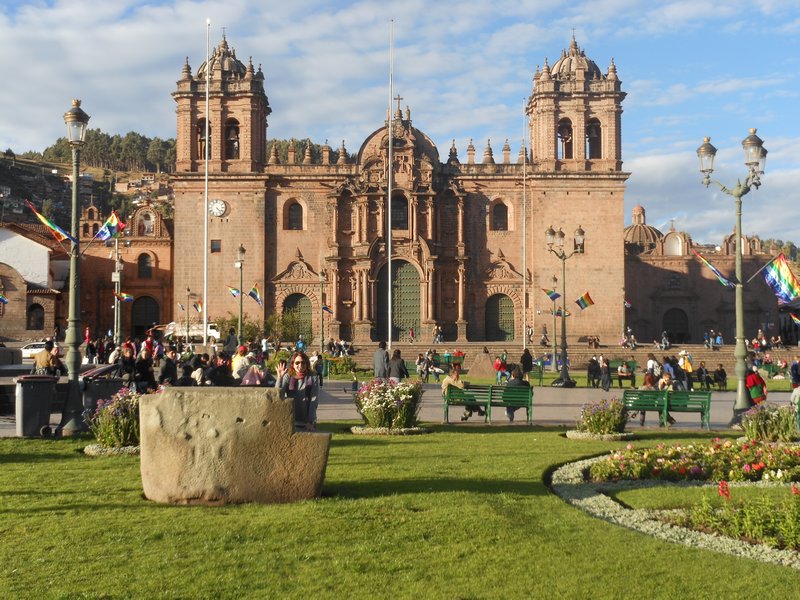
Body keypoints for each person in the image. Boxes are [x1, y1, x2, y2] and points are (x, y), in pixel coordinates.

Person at [277, 351, 318, 431]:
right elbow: (278, 395)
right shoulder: (288, 376)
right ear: (293, 364)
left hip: (307, 420)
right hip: (291, 418)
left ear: (307, 364)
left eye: (303, 363)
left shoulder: (313, 377)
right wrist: (279, 378)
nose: (300, 365)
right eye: (297, 363)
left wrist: (310, 421)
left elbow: (314, 400)